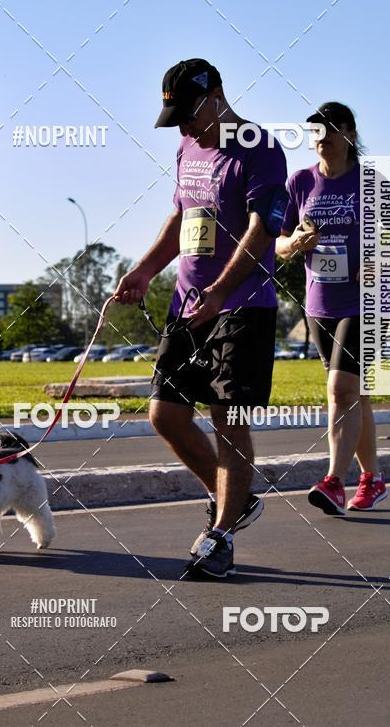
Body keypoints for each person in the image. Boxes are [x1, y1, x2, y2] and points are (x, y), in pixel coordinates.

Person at [113, 58, 287, 577]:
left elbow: (263, 231)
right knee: (164, 414)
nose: (185, 127)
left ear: (217, 96)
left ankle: (222, 534)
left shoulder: (261, 149)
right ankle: (230, 495)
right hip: (188, 305)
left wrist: (219, 291)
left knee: (229, 421)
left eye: (190, 114)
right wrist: (144, 270)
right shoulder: (187, 144)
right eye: (177, 119)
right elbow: (182, 216)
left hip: (241, 306)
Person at [276, 102, 390, 514]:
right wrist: (295, 243)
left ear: (350, 134)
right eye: (316, 132)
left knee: (340, 390)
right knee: (355, 396)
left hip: (365, 300)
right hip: (319, 303)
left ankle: (334, 481)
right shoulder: (299, 182)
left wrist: (380, 258)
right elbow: (279, 243)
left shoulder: (369, 181)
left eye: (331, 130)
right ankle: (372, 479)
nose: (322, 138)